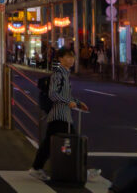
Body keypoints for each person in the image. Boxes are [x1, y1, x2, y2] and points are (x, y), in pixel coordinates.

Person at [28, 46, 91, 182]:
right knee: (73, 141)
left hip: (62, 115)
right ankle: (81, 170)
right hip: (59, 114)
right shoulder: (58, 74)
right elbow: (53, 94)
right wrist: (69, 102)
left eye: (72, 57)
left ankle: (36, 167)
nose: (71, 60)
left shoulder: (65, 74)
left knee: (49, 144)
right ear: (60, 59)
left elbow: (65, 95)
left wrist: (78, 103)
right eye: (68, 57)